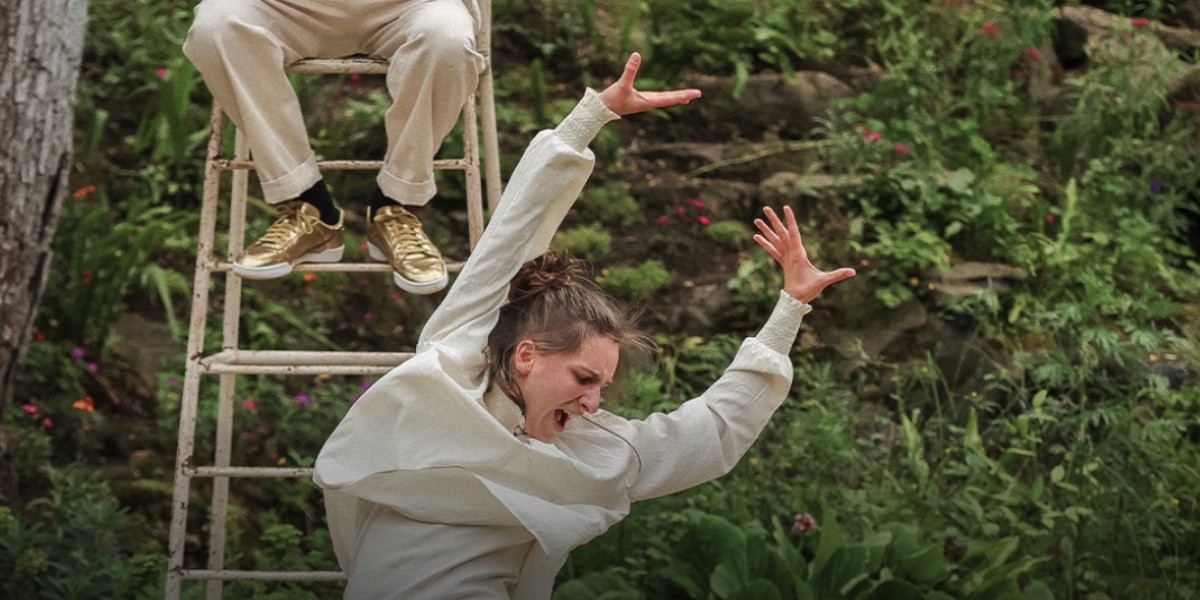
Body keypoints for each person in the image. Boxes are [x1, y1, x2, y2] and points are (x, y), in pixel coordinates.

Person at [313, 52, 857, 598]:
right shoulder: (453, 366)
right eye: (583, 378)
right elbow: (511, 236)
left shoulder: (590, 449)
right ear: (526, 355)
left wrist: (790, 308)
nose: (594, 403)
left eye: (600, 385)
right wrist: (591, 115)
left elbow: (710, 431)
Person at [183, 0, 487, 293]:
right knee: (215, 27)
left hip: (408, 6)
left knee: (447, 39)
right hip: (291, 8)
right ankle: (309, 206)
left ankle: (394, 207)